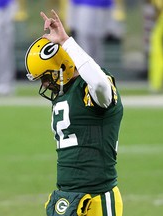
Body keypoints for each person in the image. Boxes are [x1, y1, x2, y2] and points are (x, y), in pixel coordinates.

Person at [25, 10, 124, 216]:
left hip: (98, 196)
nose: (45, 84)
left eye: (45, 76)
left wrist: (66, 42)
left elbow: (97, 81)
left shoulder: (92, 87)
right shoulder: (63, 94)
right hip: (67, 197)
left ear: (62, 65)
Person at [66, 0, 113, 65]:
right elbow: (73, 6)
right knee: (84, 50)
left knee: (96, 50)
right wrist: (71, 24)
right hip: (83, 20)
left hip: (99, 21)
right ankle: (85, 68)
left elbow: (109, 9)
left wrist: (109, 27)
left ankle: (96, 70)